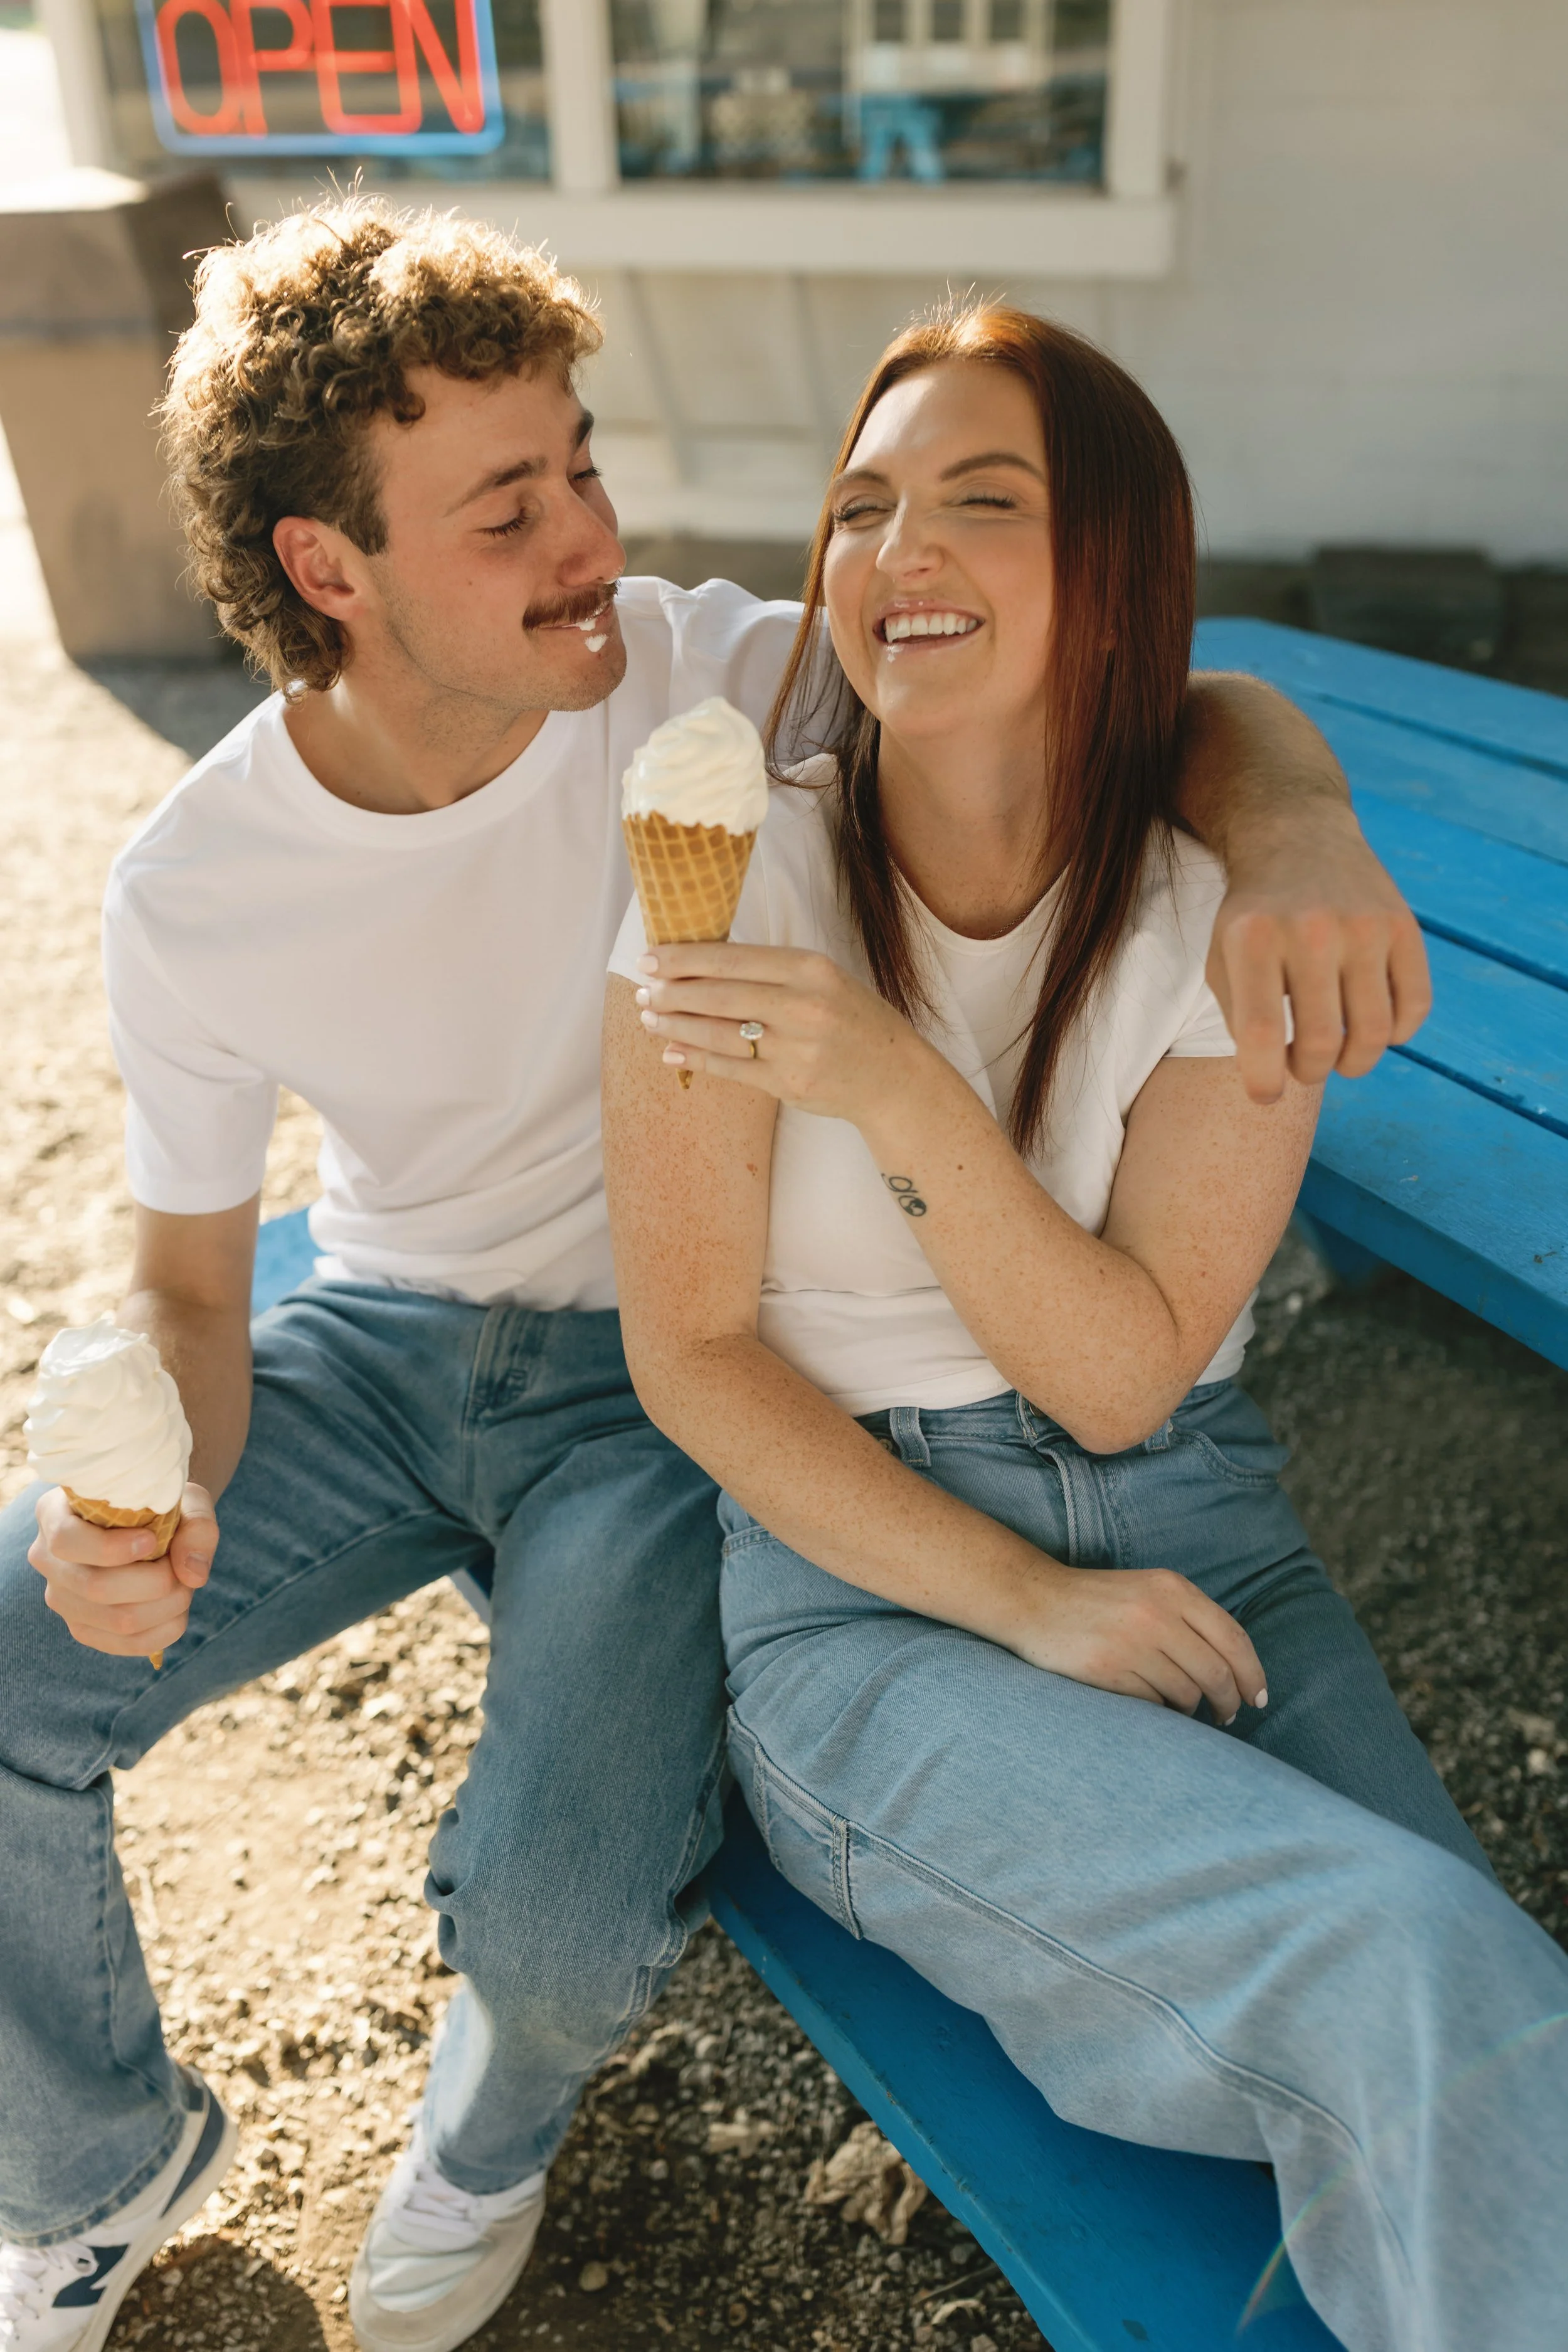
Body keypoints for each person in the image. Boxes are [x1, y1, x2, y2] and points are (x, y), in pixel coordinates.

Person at [0, 198, 1433, 2352]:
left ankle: (491, 2121)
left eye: (581, 458)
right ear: (329, 567)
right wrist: (165, 1510)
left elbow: (1134, 677)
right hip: (381, 1340)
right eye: (511, 507)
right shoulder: (195, 884)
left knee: (565, 1918)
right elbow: (194, 1287)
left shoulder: (701, 662)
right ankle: (95, 2165)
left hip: (671, 1388)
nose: (592, 530)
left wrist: (1305, 825)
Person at [602, 304, 1568, 2352]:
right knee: (1400, 1963)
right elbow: (691, 1347)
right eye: (862, 506)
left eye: (981, 500)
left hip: (1195, 1531)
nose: (899, 551)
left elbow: (1120, 1375)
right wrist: (1020, 1600)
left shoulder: (1240, 909)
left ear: (1109, 566)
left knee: (1497, 2030)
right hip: (874, 1600)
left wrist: (894, 1085)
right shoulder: (727, 885)